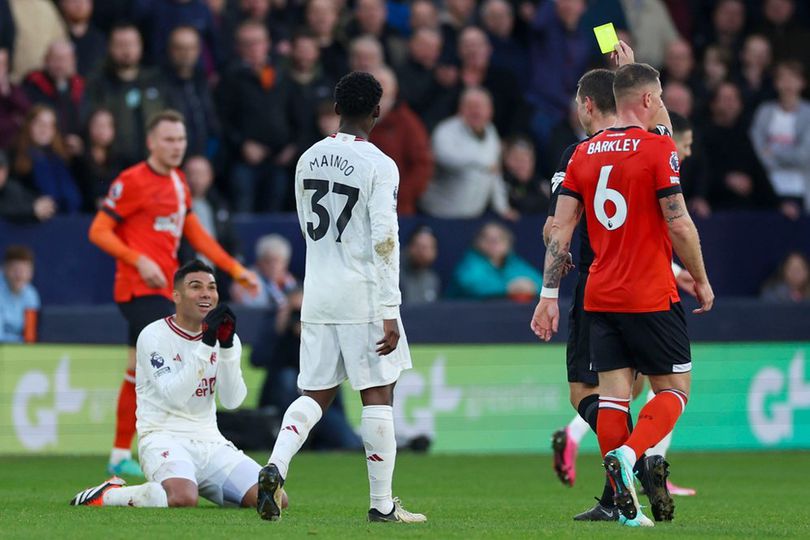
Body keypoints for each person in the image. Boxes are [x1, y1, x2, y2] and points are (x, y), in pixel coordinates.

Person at [532, 61, 714, 527]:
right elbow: (677, 221)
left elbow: (560, 229)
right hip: (650, 292)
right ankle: (630, 458)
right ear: (651, 100)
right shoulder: (657, 149)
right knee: (673, 390)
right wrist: (700, 276)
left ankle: (620, 502)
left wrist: (547, 293)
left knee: (612, 397)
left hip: (599, 294)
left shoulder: (582, 154)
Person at [256, 71, 426, 524]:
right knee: (378, 395)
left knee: (315, 393)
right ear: (377, 111)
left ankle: (276, 464)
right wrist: (390, 309)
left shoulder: (307, 158)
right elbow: (385, 241)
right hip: (363, 295)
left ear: (335, 108)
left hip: (317, 293)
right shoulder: (380, 165)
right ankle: (382, 505)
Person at [87, 109, 258, 478]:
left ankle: (125, 451)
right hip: (138, 288)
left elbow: (196, 236)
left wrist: (235, 270)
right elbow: (98, 230)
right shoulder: (131, 181)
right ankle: (152, 444)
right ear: (151, 142)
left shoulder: (180, 183)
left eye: (180, 139)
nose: (176, 146)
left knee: (136, 371)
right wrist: (139, 260)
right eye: (168, 139)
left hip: (165, 288)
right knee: (157, 366)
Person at [69, 260, 285, 510]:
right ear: (176, 296)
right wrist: (207, 345)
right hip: (163, 438)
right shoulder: (154, 335)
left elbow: (232, 401)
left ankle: (188, 486)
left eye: (212, 287)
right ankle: (108, 494)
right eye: (196, 286)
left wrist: (225, 349)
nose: (206, 293)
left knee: (274, 500)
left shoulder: (226, 338)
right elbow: (174, 396)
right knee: (182, 498)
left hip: (210, 441)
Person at [420, 87, 515, 219]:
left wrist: (503, 208)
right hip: (438, 214)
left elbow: (494, 173)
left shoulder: (491, 132)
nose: (476, 111)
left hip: (472, 217)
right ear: (461, 108)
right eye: (470, 106)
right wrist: (479, 162)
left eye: (480, 107)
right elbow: (443, 157)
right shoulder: (446, 130)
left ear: (490, 110)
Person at [12, 105, 82, 214]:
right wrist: (30, 206)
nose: (44, 129)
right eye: (40, 124)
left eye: (50, 125)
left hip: (66, 223)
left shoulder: (62, 158)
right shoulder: (14, 155)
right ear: (28, 125)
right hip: (31, 225)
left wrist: (80, 158)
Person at [446, 221, 542, 301]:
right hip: (467, 316)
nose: (494, 242)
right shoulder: (470, 262)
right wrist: (508, 288)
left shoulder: (513, 262)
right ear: (477, 242)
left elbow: (540, 282)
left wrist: (532, 286)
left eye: (500, 238)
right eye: (487, 238)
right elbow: (472, 284)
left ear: (509, 242)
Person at [231, 234, 298, 309]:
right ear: (259, 262)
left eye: (277, 261)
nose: (273, 266)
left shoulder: (290, 282)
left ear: (286, 262)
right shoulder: (247, 279)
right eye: (268, 261)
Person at [0, 149, 56, 223]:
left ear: (7, 171)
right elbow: (5, 209)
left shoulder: (12, 188)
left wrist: (42, 206)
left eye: (1, 170)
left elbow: (31, 202)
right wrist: (31, 210)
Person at [0, 245, 40, 343]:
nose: (19, 275)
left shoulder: (32, 295)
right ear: (4, 269)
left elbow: (30, 336)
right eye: (15, 269)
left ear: (31, 272)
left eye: (24, 270)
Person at [400, 226, 440, 305]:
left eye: (426, 248)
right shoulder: (395, 275)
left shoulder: (433, 280)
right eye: (418, 246)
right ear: (409, 247)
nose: (421, 252)